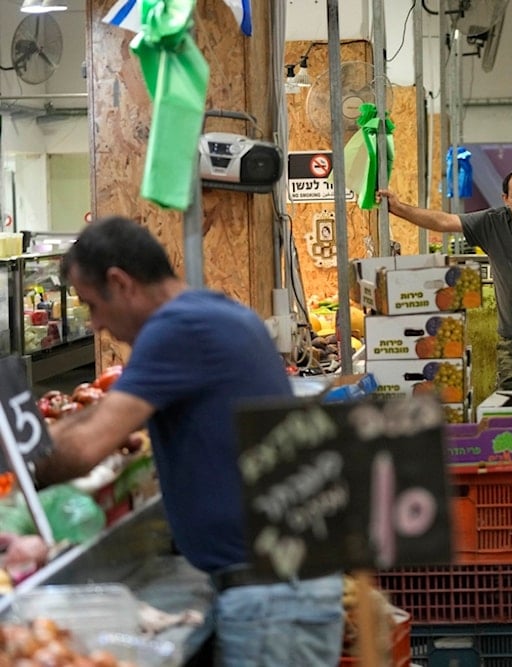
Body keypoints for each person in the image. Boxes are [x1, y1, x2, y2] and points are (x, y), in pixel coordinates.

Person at [34, 216, 344, 666]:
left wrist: (16, 467)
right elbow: (101, 413)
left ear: (120, 283)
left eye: (91, 305)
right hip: (280, 585)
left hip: (272, 599)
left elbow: (85, 449)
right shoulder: (211, 311)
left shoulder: (175, 330)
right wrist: (30, 436)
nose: (97, 325)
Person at [378, 168, 512, 391]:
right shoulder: (492, 224)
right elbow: (445, 222)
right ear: (505, 199)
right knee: (511, 406)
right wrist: (399, 208)